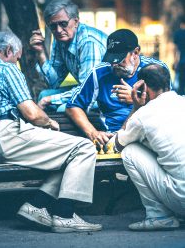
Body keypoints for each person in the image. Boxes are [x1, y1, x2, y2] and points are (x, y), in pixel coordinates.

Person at [0, 31, 102, 233]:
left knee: (68, 158)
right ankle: (65, 215)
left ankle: (36, 206)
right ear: (8, 50)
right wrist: (49, 123)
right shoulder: (6, 69)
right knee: (84, 148)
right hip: (9, 134)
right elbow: (32, 113)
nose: (17, 62)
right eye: (17, 58)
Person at [111, 64, 185, 231]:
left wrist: (136, 107)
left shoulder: (143, 115)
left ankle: (159, 216)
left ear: (143, 87)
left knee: (130, 152)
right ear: (168, 82)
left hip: (182, 200)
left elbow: (117, 145)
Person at [66, 29, 169, 148]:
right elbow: (73, 106)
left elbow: (168, 107)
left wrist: (136, 98)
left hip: (151, 134)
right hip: (115, 138)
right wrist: (93, 132)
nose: (114, 65)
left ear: (135, 53)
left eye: (120, 59)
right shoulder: (99, 73)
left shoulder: (156, 69)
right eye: (111, 59)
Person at [29, 0, 107, 111]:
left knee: (62, 108)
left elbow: (87, 89)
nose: (59, 30)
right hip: (90, 90)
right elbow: (54, 83)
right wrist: (40, 53)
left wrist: (50, 100)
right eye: (53, 26)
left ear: (75, 21)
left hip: (107, 94)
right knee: (44, 94)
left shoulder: (88, 42)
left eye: (63, 24)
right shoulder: (61, 39)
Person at [173, 16, 185, 95]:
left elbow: (175, 49)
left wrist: (175, 62)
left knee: (181, 84)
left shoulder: (178, 33)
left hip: (182, 61)